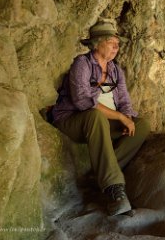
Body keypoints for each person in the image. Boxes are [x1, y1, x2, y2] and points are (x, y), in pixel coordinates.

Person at [51, 20, 150, 216]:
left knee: (141, 125)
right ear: (96, 43)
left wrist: (127, 118)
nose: (116, 46)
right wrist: (120, 116)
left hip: (102, 122)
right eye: (111, 42)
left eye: (118, 43)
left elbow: (124, 101)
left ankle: (97, 175)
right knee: (95, 116)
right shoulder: (82, 64)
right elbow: (82, 102)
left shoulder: (115, 70)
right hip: (73, 120)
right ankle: (115, 191)